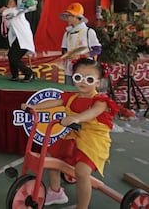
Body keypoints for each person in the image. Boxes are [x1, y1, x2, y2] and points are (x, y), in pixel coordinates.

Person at [21, 58, 120, 208]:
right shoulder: (71, 97)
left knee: (81, 172)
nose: (83, 82)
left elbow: (92, 113)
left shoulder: (100, 101)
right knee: (50, 155)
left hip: (94, 141)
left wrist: (76, 118)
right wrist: (33, 107)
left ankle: (82, 206)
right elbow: (54, 102)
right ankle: (55, 192)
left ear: (98, 83)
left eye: (90, 79)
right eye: (78, 77)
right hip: (75, 135)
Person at [60, 2, 101, 85]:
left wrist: (81, 56)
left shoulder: (88, 32)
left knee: (83, 90)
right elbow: (64, 49)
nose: (67, 18)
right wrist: (67, 55)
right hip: (69, 68)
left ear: (76, 18)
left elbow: (97, 50)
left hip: (85, 69)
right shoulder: (67, 33)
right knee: (69, 91)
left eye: (69, 16)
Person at [0, 0, 35, 82]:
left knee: (14, 57)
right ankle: (15, 75)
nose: (8, 4)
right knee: (11, 55)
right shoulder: (10, 13)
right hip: (17, 38)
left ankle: (29, 73)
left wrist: (4, 11)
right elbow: (8, 21)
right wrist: (5, 12)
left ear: (16, 3)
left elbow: (31, 6)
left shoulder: (19, 10)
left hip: (23, 38)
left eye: (10, 2)